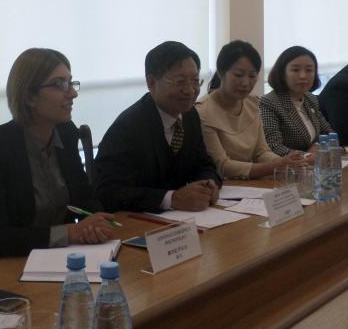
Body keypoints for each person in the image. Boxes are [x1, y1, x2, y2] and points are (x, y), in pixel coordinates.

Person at [0, 48, 114, 257]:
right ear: (29, 96)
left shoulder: (66, 133)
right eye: (59, 84)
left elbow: (84, 198)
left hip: (64, 258)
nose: (72, 93)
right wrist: (69, 233)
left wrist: (95, 222)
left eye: (71, 83)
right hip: (8, 263)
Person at [93, 41, 222, 213]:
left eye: (195, 81)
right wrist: (171, 199)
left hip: (185, 220)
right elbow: (108, 193)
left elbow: (204, 164)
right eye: (180, 81)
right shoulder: (127, 128)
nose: (191, 90)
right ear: (151, 83)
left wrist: (208, 183)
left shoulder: (190, 116)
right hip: (138, 222)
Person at [196, 41, 307, 179]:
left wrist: (286, 163)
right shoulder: (203, 111)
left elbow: (261, 152)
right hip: (219, 185)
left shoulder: (252, 103)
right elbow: (222, 166)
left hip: (248, 184)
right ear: (221, 72)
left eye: (252, 76)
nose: (246, 83)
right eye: (238, 75)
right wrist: (275, 166)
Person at [259, 46, 333, 157]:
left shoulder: (310, 99)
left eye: (309, 70)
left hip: (314, 164)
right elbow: (274, 147)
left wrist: (317, 145)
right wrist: (307, 156)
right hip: (285, 165)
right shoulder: (269, 102)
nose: (303, 76)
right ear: (282, 74)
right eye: (295, 70)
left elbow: (328, 133)